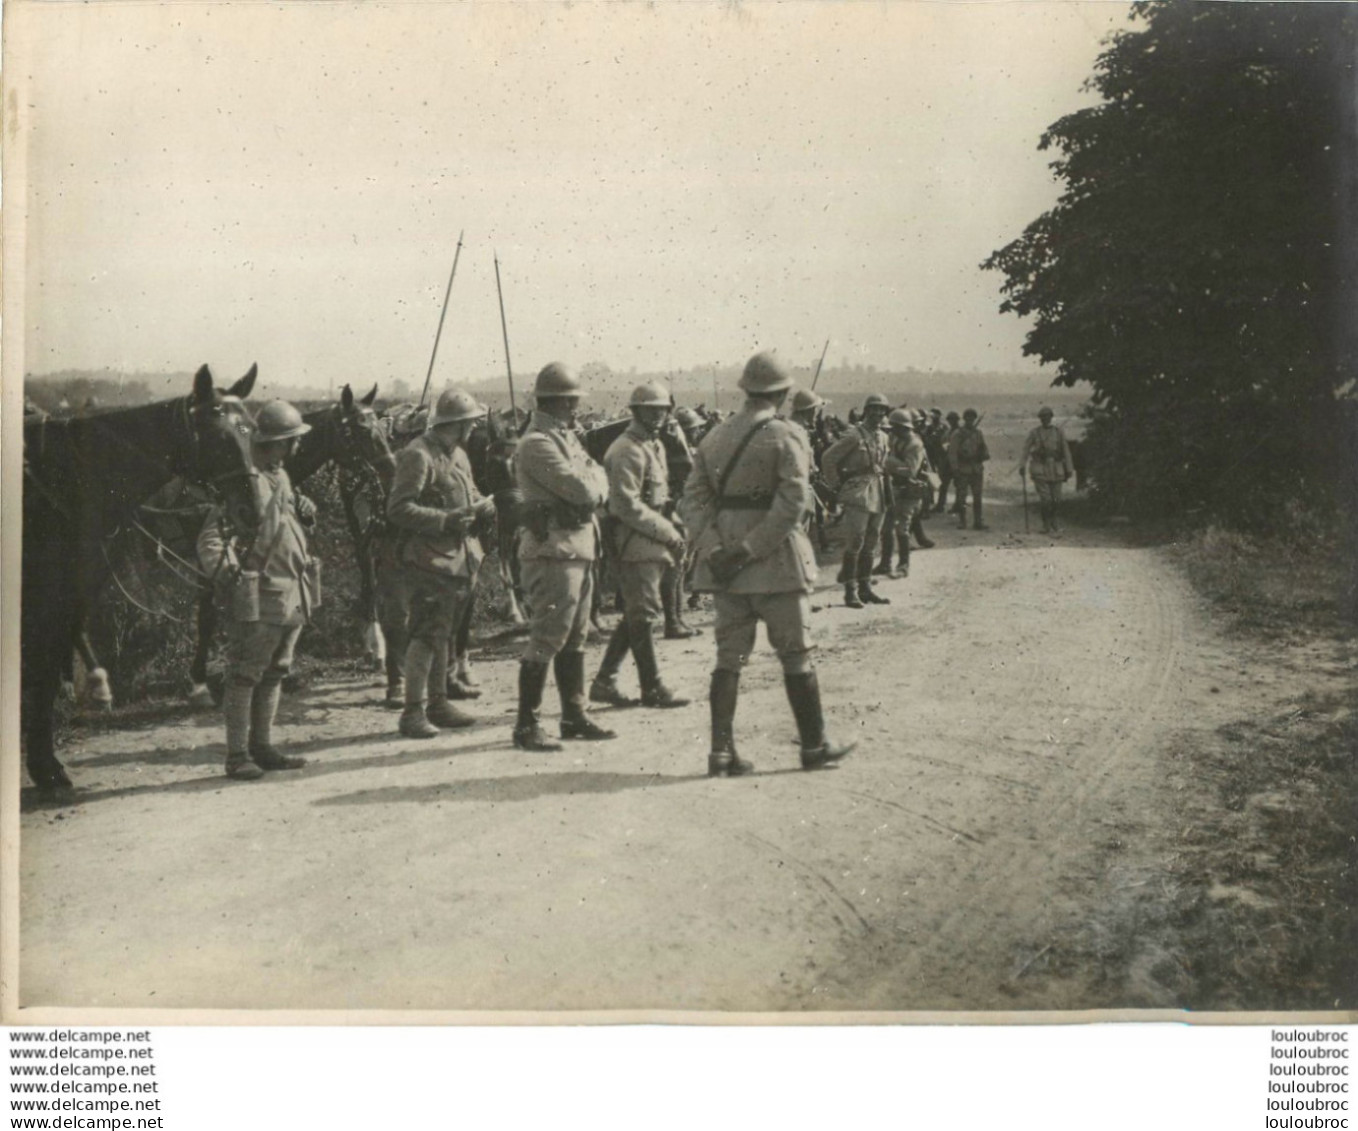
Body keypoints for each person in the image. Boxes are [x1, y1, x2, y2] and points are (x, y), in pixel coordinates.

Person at [680, 351, 855, 777]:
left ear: (744, 389)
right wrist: (751, 548)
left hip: (726, 568)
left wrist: (716, 548)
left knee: (728, 659)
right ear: (781, 392)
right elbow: (793, 503)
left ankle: (721, 753)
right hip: (775, 563)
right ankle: (813, 746)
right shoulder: (787, 433)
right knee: (796, 656)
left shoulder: (714, 437)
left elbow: (693, 502)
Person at [198, 400, 319, 781]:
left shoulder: (280, 477)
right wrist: (231, 574)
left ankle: (262, 747)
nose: (297, 447)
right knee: (245, 675)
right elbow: (210, 538)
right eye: (293, 440)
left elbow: (284, 524)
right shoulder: (245, 482)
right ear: (279, 442)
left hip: (290, 591)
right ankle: (237, 755)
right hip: (260, 592)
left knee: (274, 673)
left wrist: (305, 509)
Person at [513, 362, 615, 751]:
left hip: (577, 546)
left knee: (576, 636)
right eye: (571, 402)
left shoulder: (565, 438)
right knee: (548, 636)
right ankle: (527, 725)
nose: (575, 409)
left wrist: (595, 484)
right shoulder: (537, 443)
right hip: (554, 552)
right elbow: (585, 491)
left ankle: (574, 715)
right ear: (555, 402)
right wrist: (595, 486)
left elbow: (598, 476)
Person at [385, 387, 496, 739]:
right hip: (428, 560)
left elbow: (469, 492)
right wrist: (445, 520)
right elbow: (398, 509)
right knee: (425, 636)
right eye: (470, 424)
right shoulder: (417, 455)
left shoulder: (457, 454)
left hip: (457, 560)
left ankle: (438, 702)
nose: (473, 430)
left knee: (442, 633)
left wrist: (482, 505)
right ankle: (413, 712)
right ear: (458, 424)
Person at [589, 382, 692, 710]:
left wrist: (674, 522)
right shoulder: (626, 450)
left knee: (639, 612)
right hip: (634, 538)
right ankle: (652, 687)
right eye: (652, 410)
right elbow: (625, 506)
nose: (659, 416)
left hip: (651, 534)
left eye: (663, 409)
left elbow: (658, 495)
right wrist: (668, 531)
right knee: (642, 613)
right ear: (636, 412)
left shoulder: (652, 445)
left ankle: (605, 681)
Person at [822, 393, 891, 607]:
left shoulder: (883, 436)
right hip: (858, 493)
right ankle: (851, 592)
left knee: (871, 542)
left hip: (878, 492)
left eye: (882, 409)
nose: (878, 413)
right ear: (866, 410)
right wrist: (836, 486)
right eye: (874, 409)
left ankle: (866, 588)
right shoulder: (854, 435)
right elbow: (828, 458)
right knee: (855, 543)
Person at [882, 409, 932, 578]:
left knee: (902, 528)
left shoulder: (914, 444)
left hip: (909, 490)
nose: (892, 430)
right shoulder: (897, 439)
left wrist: (887, 461)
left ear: (901, 427)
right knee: (886, 527)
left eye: (894, 427)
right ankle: (885, 563)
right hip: (894, 488)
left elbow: (910, 470)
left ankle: (904, 566)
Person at [1020, 406, 1075, 534]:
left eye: (1047, 416)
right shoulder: (1034, 433)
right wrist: (1022, 465)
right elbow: (1026, 450)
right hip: (1040, 468)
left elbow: (1066, 450)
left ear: (1051, 417)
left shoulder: (1058, 432)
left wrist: (1069, 468)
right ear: (1040, 419)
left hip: (1056, 469)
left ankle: (1054, 521)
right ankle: (1046, 524)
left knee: (1057, 499)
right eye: (1042, 417)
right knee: (1046, 499)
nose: (1045, 419)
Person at [948, 408, 991, 530]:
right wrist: (955, 469)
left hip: (976, 469)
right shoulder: (958, 434)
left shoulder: (978, 433)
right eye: (968, 418)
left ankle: (978, 522)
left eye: (972, 418)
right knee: (962, 497)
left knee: (977, 496)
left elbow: (984, 450)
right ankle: (963, 522)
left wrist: (982, 455)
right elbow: (952, 453)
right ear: (964, 419)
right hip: (963, 469)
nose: (970, 420)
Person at [933, 410, 961, 514]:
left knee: (958, 485)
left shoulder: (961, 432)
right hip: (946, 461)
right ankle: (940, 505)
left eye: (954, 419)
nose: (952, 421)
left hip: (957, 462)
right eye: (950, 419)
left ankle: (957, 506)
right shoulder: (948, 432)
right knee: (943, 485)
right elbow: (942, 443)